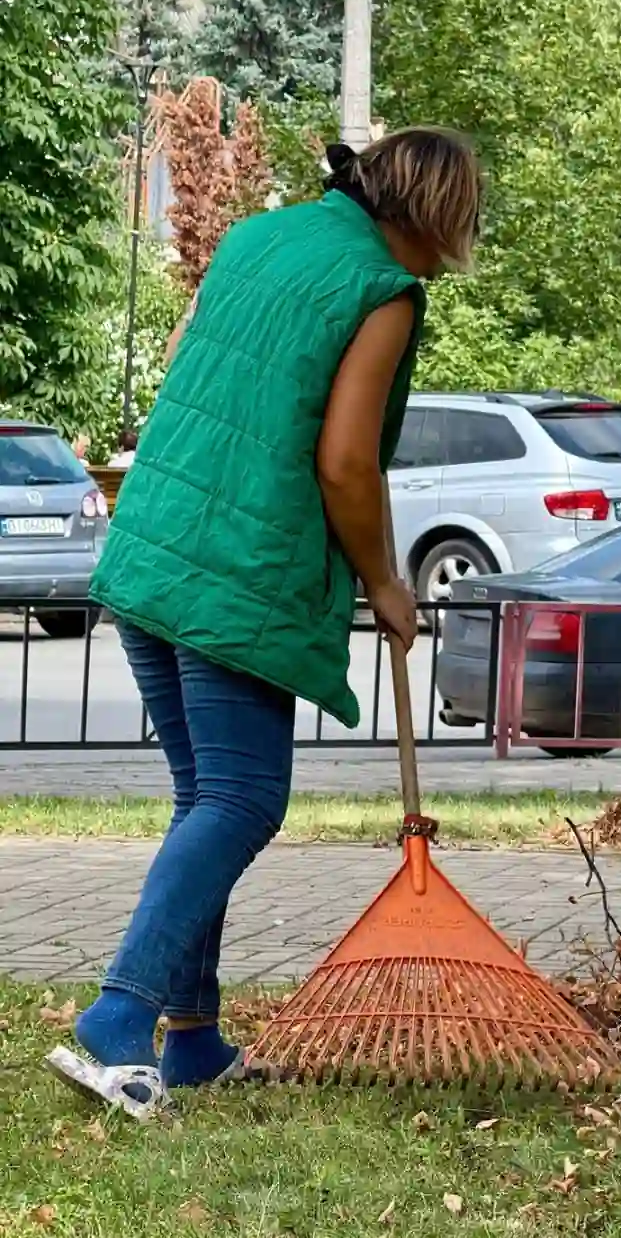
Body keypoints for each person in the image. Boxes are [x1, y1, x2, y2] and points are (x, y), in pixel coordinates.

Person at [45, 127, 482, 1119]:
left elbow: (201, 373)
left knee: (206, 795)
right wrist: (384, 580)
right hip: (236, 571)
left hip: (155, 545)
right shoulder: (381, 291)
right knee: (243, 800)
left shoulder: (254, 240)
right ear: (430, 215)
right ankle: (119, 1022)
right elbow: (344, 462)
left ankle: (191, 1037)